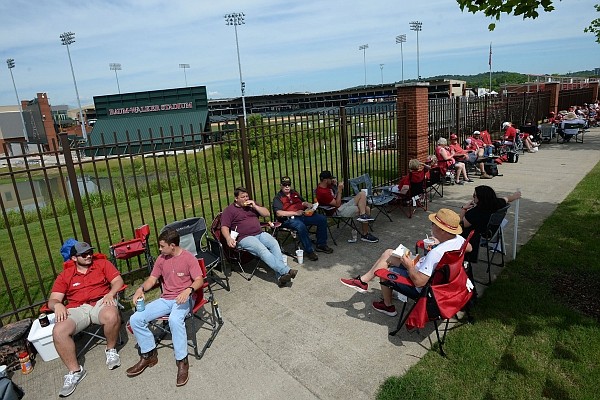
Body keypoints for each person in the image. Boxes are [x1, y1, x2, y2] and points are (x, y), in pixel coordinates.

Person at [339, 208, 470, 316]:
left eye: (433, 224)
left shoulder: (436, 253)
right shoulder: (458, 240)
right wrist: (439, 241)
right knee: (389, 253)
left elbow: (419, 283)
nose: (431, 226)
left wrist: (409, 266)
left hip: (422, 286)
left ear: (442, 230)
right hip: (438, 279)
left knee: (383, 270)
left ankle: (387, 306)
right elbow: (469, 248)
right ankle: (363, 281)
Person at [126, 228, 203, 386]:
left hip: (184, 299)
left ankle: (182, 361)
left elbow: (199, 280)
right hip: (166, 299)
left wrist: (188, 291)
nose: (159, 250)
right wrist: (140, 289)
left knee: (175, 320)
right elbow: (152, 279)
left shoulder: (188, 258)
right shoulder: (161, 259)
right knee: (135, 319)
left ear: (172, 245)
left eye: (162, 246)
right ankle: (149, 354)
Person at [48, 241, 124, 397]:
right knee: (59, 331)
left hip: (101, 302)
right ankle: (75, 371)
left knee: (111, 315)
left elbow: (118, 281)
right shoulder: (65, 275)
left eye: (90, 252)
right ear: (74, 258)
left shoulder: (102, 264)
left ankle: (111, 350)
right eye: (84, 254)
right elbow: (53, 299)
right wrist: (57, 306)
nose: (89, 256)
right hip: (78, 308)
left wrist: (110, 293)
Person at [221, 187, 298, 287]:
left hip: (260, 233)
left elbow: (266, 213)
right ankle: (286, 270)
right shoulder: (229, 210)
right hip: (245, 238)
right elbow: (224, 226)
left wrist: (255, 206)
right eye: (242, 197)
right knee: (262, 249)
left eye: (246, 196)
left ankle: (281, 277)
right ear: (236, 198)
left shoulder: (252, 205)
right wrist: (228, 238)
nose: (245, 198)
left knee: (274, 243)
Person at [272, 176, 333, 261]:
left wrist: (307, 204)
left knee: (321, 219)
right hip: (289, 219)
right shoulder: (278, 198)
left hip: (303, 215)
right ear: (281, 185)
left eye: (288, 184)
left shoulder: (294, 193)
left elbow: (302, 202)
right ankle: (309, 251)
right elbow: (279, 213)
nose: (287, 186)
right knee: (300, 226)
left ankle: (321, 244)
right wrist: (295, 213)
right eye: (284, 184)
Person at [459, 186, 521, 265]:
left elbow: (461, 224)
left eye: (475, 196)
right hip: (492, 233)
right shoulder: (497, 203)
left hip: (477, 235)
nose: (473, 197)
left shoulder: (476, 212)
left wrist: (464, 209)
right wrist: (515, 196)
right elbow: (507, 199)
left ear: (481, 198)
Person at [315, 170, 379, 243]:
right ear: (326, 180)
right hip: (337, 211)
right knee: (366, 208)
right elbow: (337, 204)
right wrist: (339, 190)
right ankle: (365, 234)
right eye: (330, 179)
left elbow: (334, 194)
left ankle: (363, 216)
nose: (331, 180)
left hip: (342, 206)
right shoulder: (322, 192)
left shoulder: (326, 185)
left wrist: (335, 184)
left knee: (362, 194)